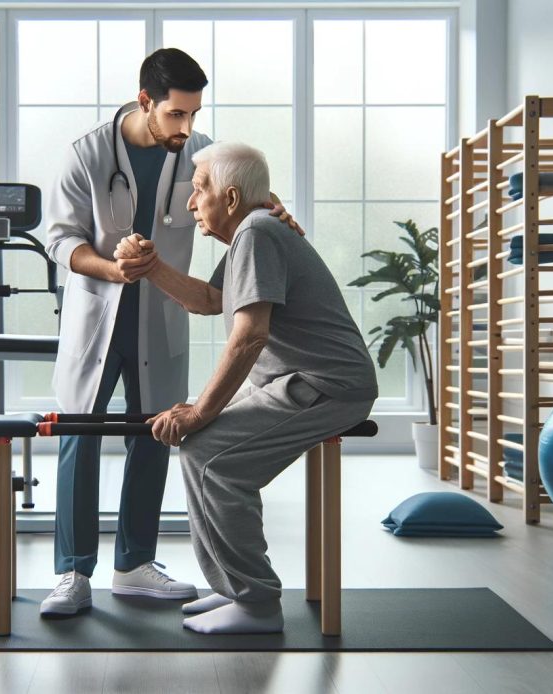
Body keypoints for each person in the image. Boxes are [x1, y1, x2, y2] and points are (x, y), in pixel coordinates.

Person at [42, 49, 302, 618]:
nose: (186, 127)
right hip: (97, 315)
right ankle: (72, 573)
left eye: (194, 114)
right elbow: (60, 240)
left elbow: (243, 202)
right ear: (145, 102)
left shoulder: (200, 152)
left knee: (155, 432)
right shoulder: (87, 154)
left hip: (161, 313)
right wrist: (114, 270)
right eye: (176, 114)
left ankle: (134, 565)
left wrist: (274, 212)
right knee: (79, 435)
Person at [114, 141, 378, 634]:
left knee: (210, 456)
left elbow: (250, 335)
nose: (191, 203)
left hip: (328, 383)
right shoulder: (250, 234)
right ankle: (236, 588)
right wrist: (151, 269)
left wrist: (199, 412)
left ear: (231, 198)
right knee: (201, 447)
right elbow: (210, 299)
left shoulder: (257, 231)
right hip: (295, 379)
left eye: (199, 190)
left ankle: (256, 602)